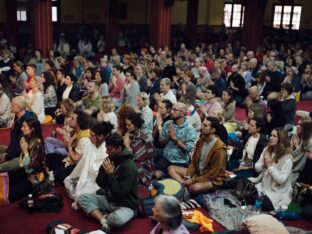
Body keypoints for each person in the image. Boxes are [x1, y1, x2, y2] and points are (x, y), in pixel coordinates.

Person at [78, 133, 139, 233]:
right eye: (106, 148)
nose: (106, 151)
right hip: (110, 199)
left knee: (117, 219)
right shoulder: (111, 158)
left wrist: (111, 174)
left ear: (119, 148)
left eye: (109, 149)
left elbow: (120, 194)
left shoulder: (129, 166)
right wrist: (104, 170)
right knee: (81, 197)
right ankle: (103, 220)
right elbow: (100, 183)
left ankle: (104, 215)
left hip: (125, 204)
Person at [168, 117, 227, 194]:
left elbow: (212, 175)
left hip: (211, 179)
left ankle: (184, 187)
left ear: (212, 130)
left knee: (194, 188)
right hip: (198, 173)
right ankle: (184, 187)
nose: (201, 127)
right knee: (171, 168)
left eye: (205, 126)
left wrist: (192, 181)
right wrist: (188, 176)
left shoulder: (219, 149)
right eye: (202, 124)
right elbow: (193, 161)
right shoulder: (201, 140)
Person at [64, 121, 114, 208]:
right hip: (87, 175)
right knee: (68, 181)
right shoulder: (91, 145)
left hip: (97, 180)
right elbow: (83, 164)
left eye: (92, 135)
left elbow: (95, 171)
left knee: (80, 196)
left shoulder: (105, 150)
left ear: (101, 136)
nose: (90, 137)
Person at [248, 128, 293, 211]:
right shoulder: (267, 150)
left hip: (277, 191)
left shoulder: (287, 158)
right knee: (247, 189)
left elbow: (281, 180)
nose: (271, 138)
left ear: (281, 139)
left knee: (265, 204)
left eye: (274, 136)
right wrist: (264, 165)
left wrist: (269, 166)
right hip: (264, 186)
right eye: (271, 135)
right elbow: (257, 168)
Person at [46, 109, 91, 183]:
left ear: (79, 123)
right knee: (50, 157)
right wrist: (67, 143)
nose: (70, 119)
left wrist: (69, 146)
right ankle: (55, 174)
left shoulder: (84, 139)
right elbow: (69, 150)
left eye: (72, 118)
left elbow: (75, 159)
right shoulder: (78, 132)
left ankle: (56, 175)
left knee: (57, 172)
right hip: (69, 160)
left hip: (75, 167)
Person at [9, 117, 47, 202]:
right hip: (26, 171)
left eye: (24, 126)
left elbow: (30, 167)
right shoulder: (26, 138)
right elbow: (22, 163)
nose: (22, 128)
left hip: (35, 177)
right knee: (8, 178)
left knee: (11, 195)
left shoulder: (38, 143)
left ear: (32, 129)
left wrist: (25, 151)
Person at [158, 102, 196, 177]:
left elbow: (188, 149)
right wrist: (169, 136)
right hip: (165, 158)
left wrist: (175, 139)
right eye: (172, 109)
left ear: (182, 113)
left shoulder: (189, 129)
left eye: (175, 110)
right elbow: (161, 142)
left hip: (179, 162)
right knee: (155, 175)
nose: (171, 111)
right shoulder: (168, 124)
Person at [0, 96, 35, 172]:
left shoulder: (27, 121)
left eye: (13, 105)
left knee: (1, 167)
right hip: (14, 150)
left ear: (20, 107)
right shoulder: (17, 116)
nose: (10, 106)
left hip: (23, 156)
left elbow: (20, 147)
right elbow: (14, 141)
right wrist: (7, 153)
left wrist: (6, 156)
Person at [124, 112, 156, 187]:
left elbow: (136, 158)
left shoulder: (145, 138)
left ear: (135, 125)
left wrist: (127, 145)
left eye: (129, 125)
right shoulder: (132, 133)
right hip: (136, 160)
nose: (127, 127)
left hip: (144, 165)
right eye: (126, 124)